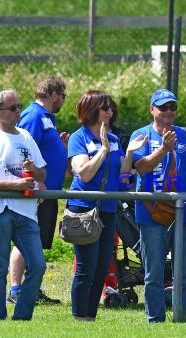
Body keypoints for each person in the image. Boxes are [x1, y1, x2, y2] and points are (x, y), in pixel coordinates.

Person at [67, 90, 147, 322]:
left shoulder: (114, 140)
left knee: (102, 268)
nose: (110, 112)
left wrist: (130, 154)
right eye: (105, 108)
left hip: (109, 210)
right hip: (84, 209)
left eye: (111, 108)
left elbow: (123, 180)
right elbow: (83, 173)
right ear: (91, 110)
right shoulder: (78, 138)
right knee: (86, 268)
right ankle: (79, 317)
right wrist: (102, 150)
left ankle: (89, 317)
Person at [130, 88, 186, 323]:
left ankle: (183, 318)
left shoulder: (185, 134)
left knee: (185, 272)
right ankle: (155, 319)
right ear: (152, 109)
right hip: (151, 213)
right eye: (163, 107)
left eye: (172, 107)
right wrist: (163, 149)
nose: (168, 111)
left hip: (182, 213)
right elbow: (141, 167)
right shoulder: (142, 135)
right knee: (153, 273)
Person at [0, 89, 47, 320]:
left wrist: (35, 171)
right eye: (13, 108)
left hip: (26, 211)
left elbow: (42, 174)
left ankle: (22, 317)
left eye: (19, 106)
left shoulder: (26, 136)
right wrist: (14, 185)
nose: (18, 112)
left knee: (38, 265)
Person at [7, 76, 68, 305]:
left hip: (46, 192)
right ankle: (16, 290)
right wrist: (35, 181)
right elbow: (21, 149)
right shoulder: (34, 116)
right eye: (63, 95)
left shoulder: (46, 118)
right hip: (37, 191)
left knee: (36, 242)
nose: (63, 100)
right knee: (26, 241)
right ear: (54, 95)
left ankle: (31, 289)